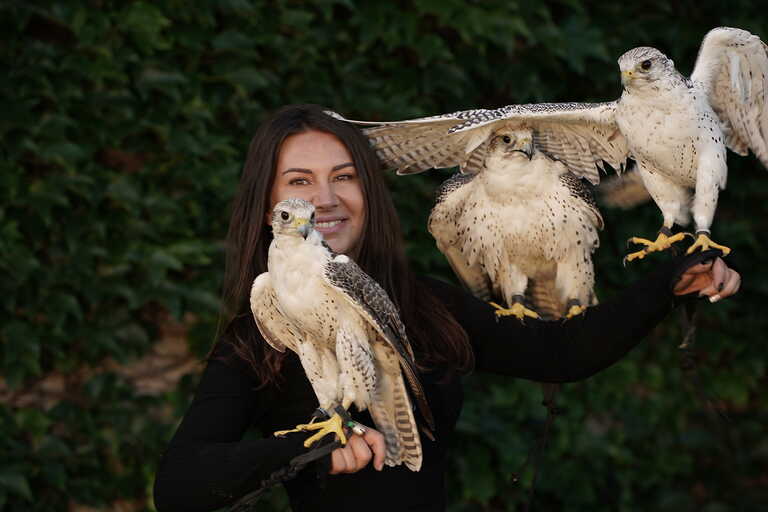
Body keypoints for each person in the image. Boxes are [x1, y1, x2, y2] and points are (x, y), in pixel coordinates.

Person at [152, 104, 741, 512]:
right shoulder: (262, 327)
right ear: (268, 206)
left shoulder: (424, 302)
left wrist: (671, 279)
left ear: (369, 193)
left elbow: (561, 353)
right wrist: (309, 451)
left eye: (345, 177)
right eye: (300, 182)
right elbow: (179, 485)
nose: (325, 200)